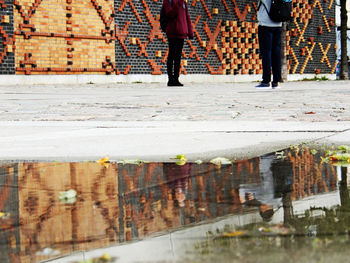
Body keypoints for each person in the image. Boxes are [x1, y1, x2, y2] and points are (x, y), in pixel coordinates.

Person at [163, 0, 193, 86]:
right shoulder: (167, 1)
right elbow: (170, 14)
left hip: (182, 32)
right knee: (171, 55)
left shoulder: (183, 2)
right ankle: (170, 79)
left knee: (178, 57)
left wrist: (190, 32)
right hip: (172, 32)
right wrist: (178, 4)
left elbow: (187, 17)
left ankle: (176, 78)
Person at [256, 0, 283, 89]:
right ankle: (276, 81)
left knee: (266, 52)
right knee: (277, 53)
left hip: (265, 24)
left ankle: (266, 81)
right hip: (278, 23)